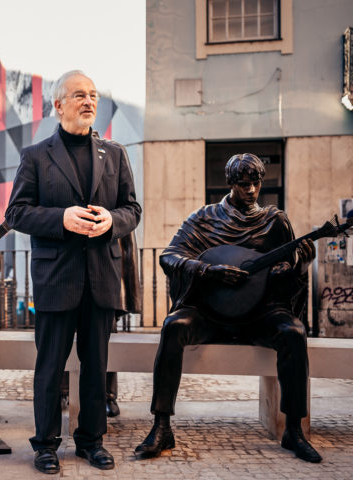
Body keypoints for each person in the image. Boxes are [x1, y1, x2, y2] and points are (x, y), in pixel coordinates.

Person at [134, 153, 320, 463]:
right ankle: (161, 426)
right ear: (230, 183)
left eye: (256, 183)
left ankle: (293, 430)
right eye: (244, 184)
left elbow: (287, 277)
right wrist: (208, 271)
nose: (251, 190)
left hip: (260, 313)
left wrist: (302, 265)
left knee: (293, 332)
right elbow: (169, 256)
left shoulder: (275, 222)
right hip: (210, 313)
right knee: (174, 326)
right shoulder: (204, 219)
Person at [5, 70, 141, 473]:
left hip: (101, 279)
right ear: (58, 105)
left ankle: (91, 442)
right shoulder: (35, 156)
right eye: (79, 94)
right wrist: (61, 218)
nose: (88, 101)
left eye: (93, 95)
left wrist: (112, 221)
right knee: (50, 367)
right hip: (56, 279)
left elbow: (132, 209)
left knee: (96, 369)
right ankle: (45, 445)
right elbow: (16, 213)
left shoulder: (114, 154)